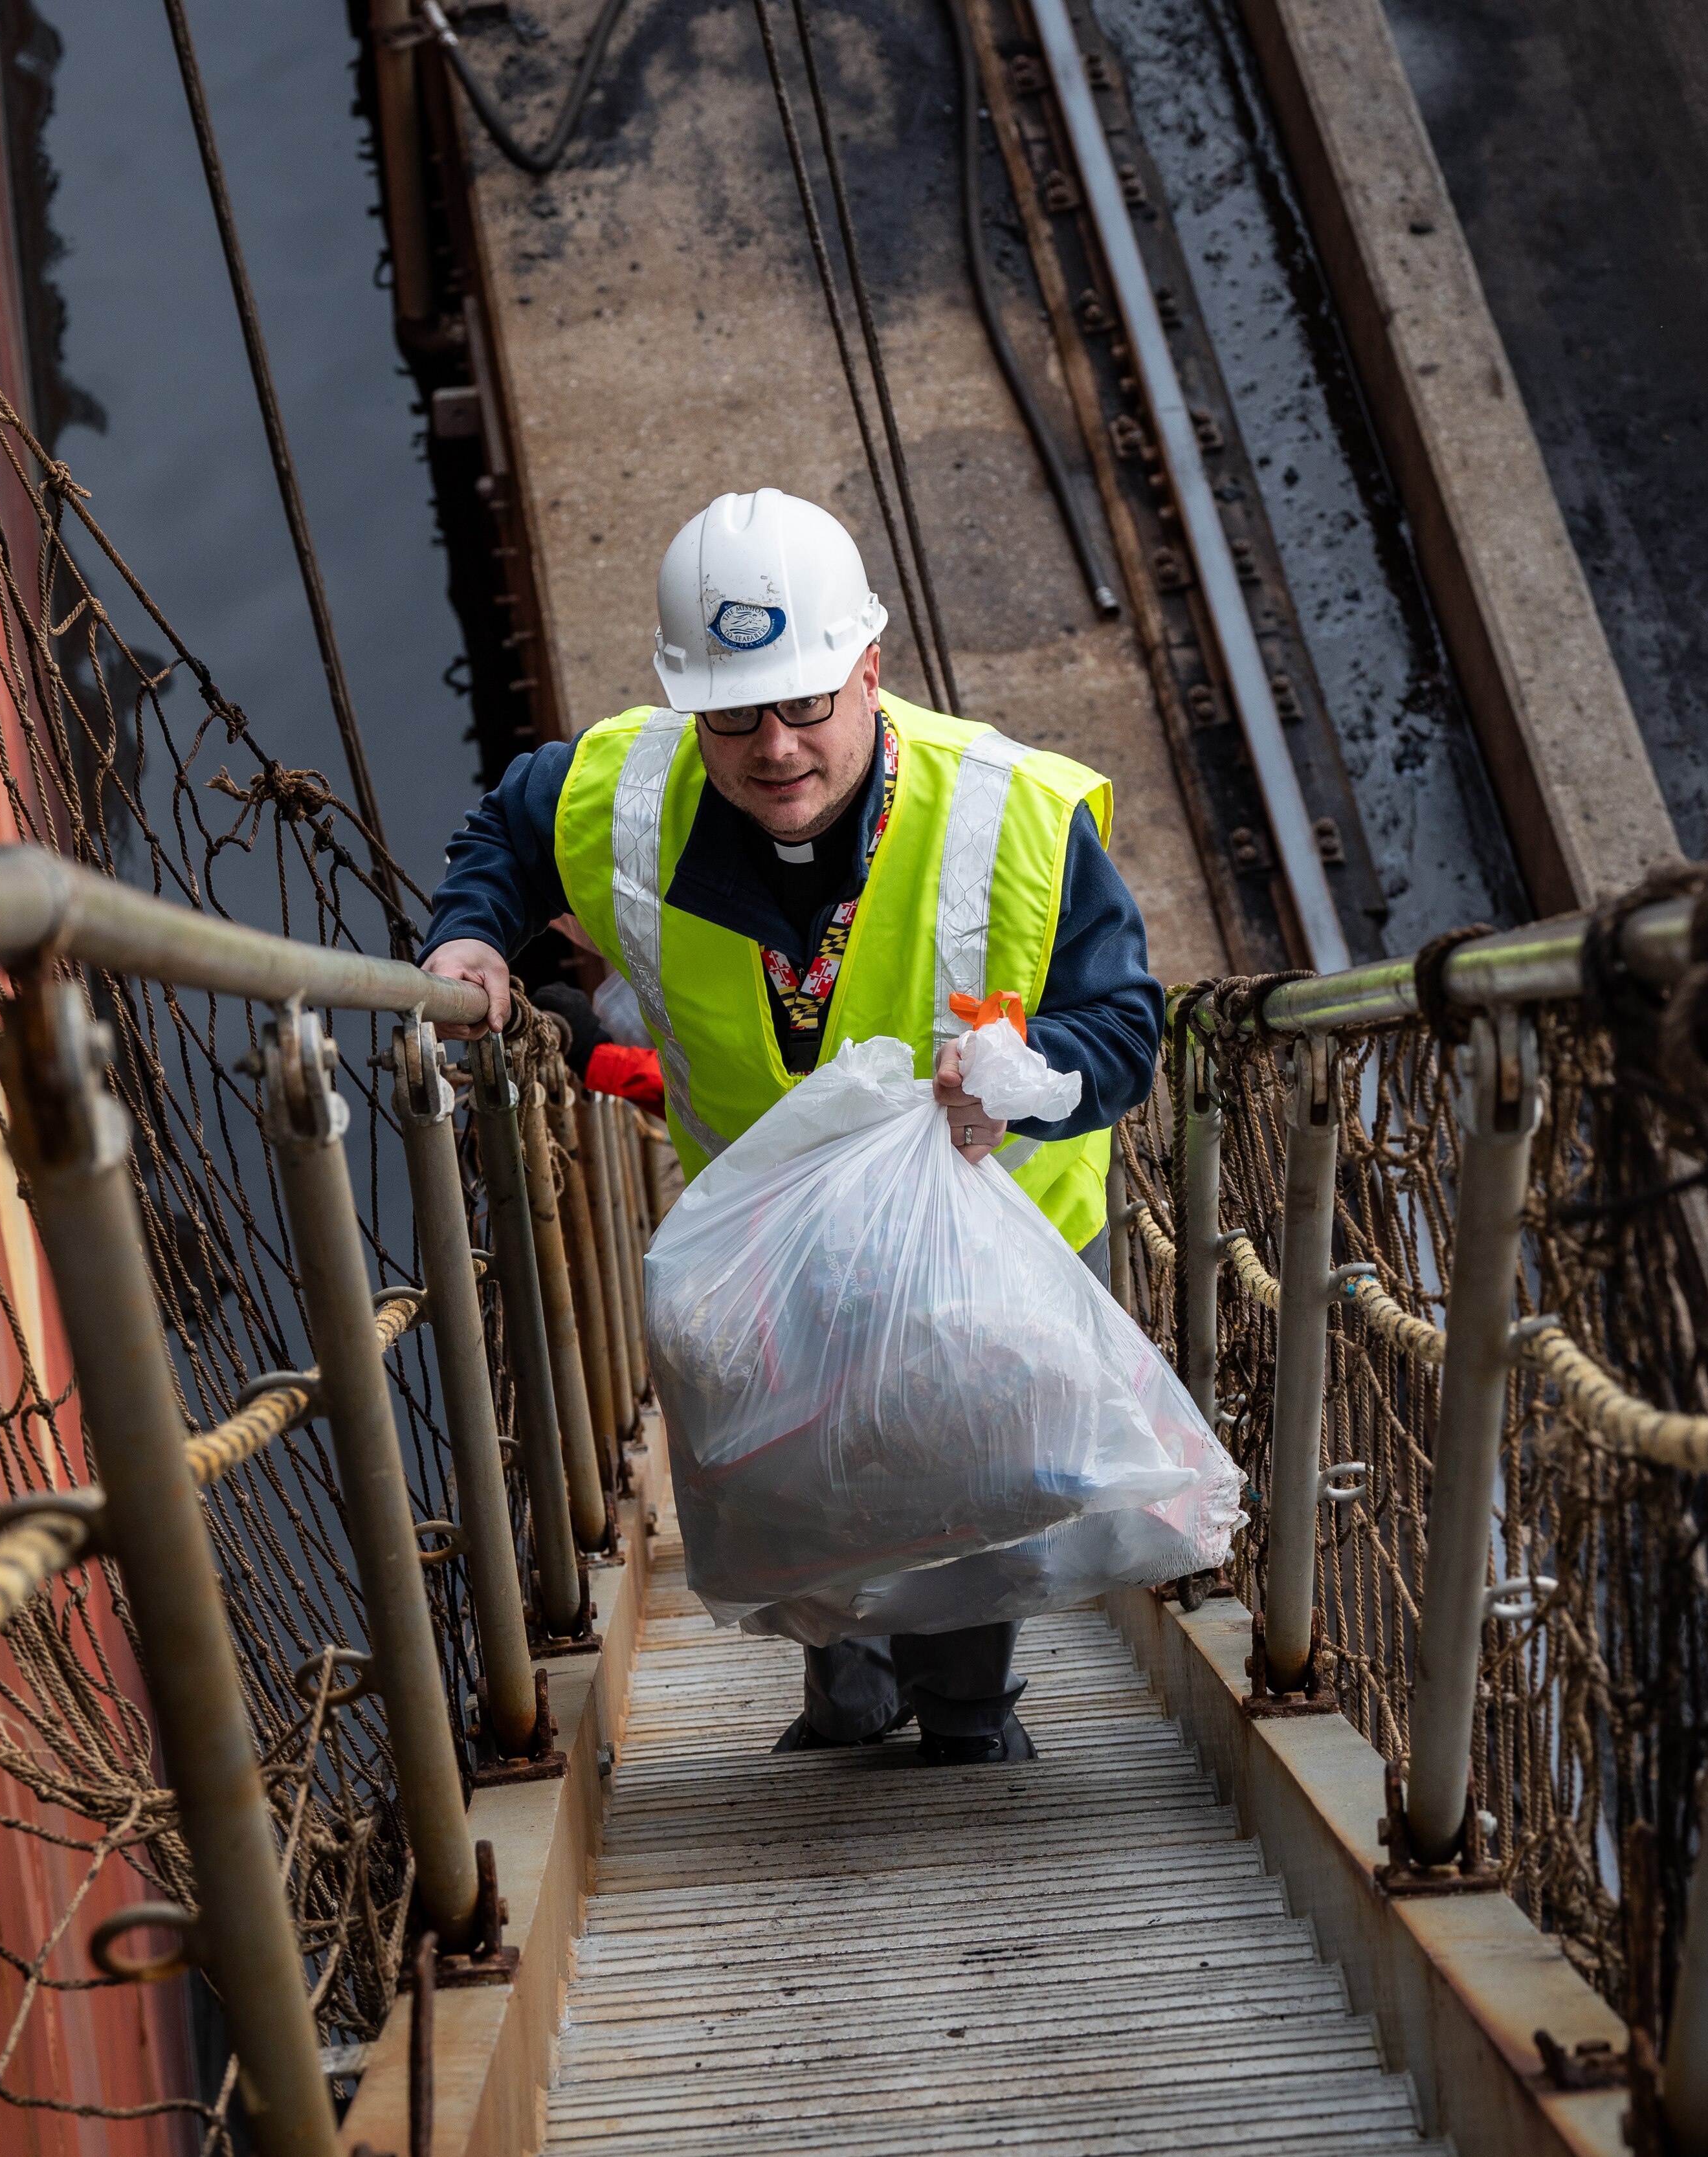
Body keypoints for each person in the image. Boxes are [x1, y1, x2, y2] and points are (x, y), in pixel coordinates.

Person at [419, 487, 1162, 1765]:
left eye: (807, 705)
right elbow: (511, 825)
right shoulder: (624, 794)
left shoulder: (1012, 818)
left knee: (960, 1503)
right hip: (776, 1235)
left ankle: (971, 1724)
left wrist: (1031, 1079)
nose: (774, 746)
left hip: (985, 1242)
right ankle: (848, 1700)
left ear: (867, 673)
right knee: (807, 1484)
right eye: (733, 715)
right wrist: (473, 931)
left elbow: (1126, 1025)